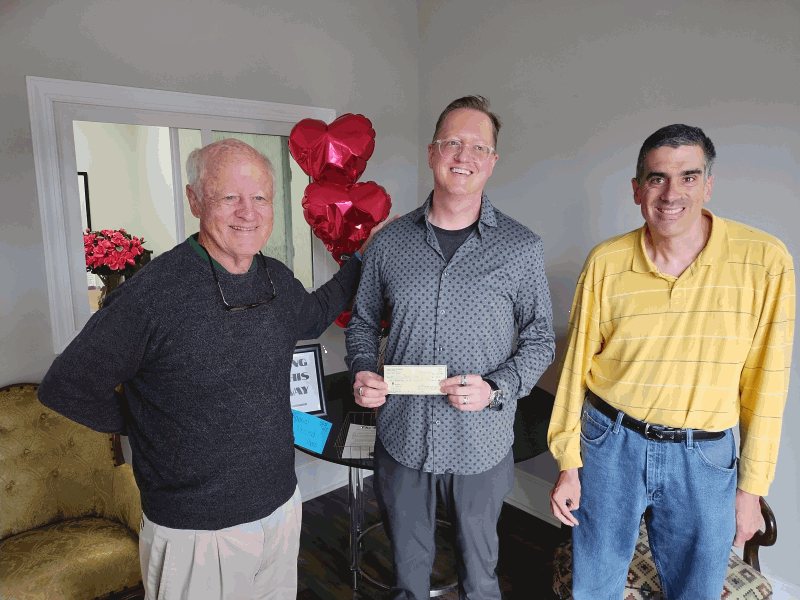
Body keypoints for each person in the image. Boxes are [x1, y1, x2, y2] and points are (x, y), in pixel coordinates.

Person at [38, 138, 391, 599]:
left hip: (280, 505)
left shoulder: (275, 277)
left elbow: (315, 312)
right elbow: (67, 387)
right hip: (196, 532)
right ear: (194, 200)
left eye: (260, 197)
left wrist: (363, 257)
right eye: (229, 197)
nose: (248, 212)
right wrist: (147, 424)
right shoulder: (152, 294)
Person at [547, 124, 795, 599]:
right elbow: (575, 370)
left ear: (708, 185)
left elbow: (768, 386)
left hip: (703, 455)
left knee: (695, 589)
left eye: (688, 177)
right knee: (594, 583)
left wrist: (751, 490)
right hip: (610, 440)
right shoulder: (606, 262)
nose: (671, 193)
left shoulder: (766, 262)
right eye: (657, 178)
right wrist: (568, 462)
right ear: (637, 189)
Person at [346, 96, 555, 600]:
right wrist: (360, 369)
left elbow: (540, 338)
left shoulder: (521, 248)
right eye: (453, 143)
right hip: (401, 439)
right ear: (433, 151)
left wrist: (496, 388)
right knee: (409, 578)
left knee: (480, 580)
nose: (465, 155)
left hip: (480, 444)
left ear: (493, 162)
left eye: (478, 146)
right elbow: (360, 323)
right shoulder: (389, 243)